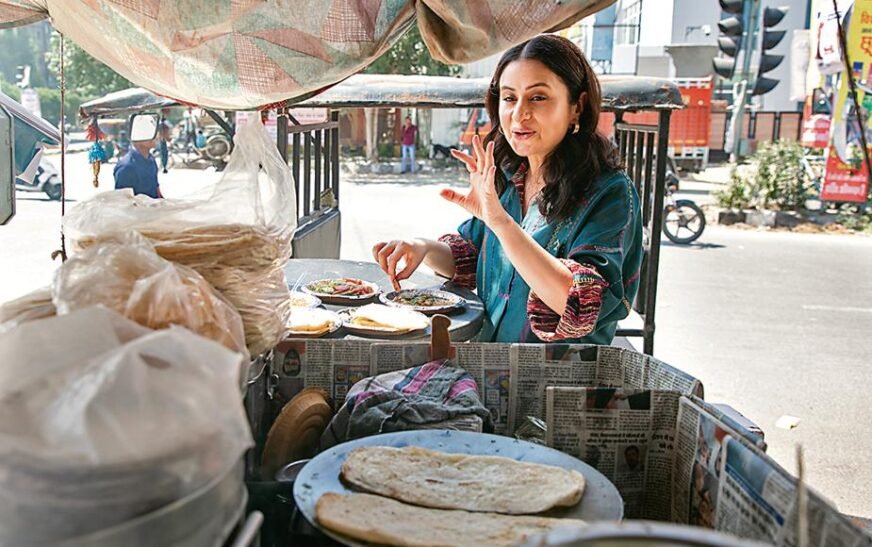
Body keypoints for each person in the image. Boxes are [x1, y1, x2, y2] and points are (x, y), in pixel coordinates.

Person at [372, 35, 642, 343]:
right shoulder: (510, 176)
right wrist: (420, 246)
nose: (519, 114)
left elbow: (579, 303)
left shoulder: (610, 193)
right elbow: (470, 256)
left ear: (576, 107)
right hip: (491, 368)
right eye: (510, 98)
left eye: (538, 98)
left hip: (560, 378)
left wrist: (499, 222)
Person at [113, 128, 161, 198]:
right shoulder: (126, 167)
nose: (154, 137)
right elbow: (122, 201)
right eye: (148, 134)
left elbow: (156, 191)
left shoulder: (151, 160)